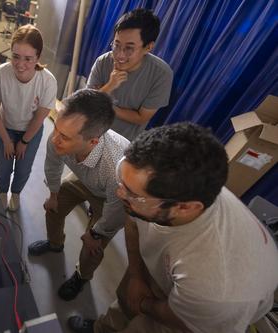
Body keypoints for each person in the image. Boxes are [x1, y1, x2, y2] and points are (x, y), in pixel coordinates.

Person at [68, 122, 278, 333]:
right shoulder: (153, 191)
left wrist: (143, 305)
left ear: (185, 208)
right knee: (126, 300)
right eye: (121, 179)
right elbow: (134, 220)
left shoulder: (218, 288)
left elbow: (182, 320)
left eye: (131, 193)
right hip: (167, 268)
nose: (119, 193)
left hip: (195, 319)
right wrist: (136, 275)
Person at [28, 89, 129, 301]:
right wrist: (53, 194)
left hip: (111, 199)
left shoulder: (118, 168)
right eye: (55, 128)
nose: (55, 139)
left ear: (93, 141)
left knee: (93, 247)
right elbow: (53, 166)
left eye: (64, 137)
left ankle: (82, 277)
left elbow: (117, 210)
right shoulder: (58, 138)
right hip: (84, 179)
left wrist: (96, 234)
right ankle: (55, 244)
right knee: (53, 208)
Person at [0, 24, 57, 211]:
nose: (20, 64)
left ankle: (15, 193)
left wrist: (24, 141)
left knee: (23, 169)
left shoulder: (47, 81)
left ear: (38, 57)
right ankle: (2, 191)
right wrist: (7, 140)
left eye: (28, 59)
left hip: (30, 131)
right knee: (3, 167)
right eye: (15, 56)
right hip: (4, 127)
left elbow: (41, 115)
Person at [87, 8, 173, 141]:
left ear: (148, 47)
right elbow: (88, 104)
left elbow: (141, 118)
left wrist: (105, 102)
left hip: (123, 143)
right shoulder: (103, 62)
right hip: (90, 134)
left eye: (129, 48)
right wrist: (110, 86)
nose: (120, 55)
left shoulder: (161, 74)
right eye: (116, 45)